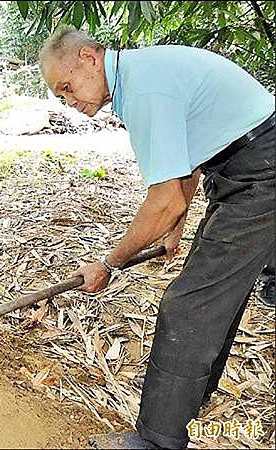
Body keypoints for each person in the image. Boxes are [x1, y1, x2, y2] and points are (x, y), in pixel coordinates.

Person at [39, 27, 275, 449]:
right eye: (60, 97)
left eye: (67, 87)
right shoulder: (140, 76)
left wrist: (109, 264)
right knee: (212, 294)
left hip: (262, 174)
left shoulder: (146, 90)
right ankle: (187, 404)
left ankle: (157, 440)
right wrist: (175, 230)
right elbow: (189, 156)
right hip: (249, 169)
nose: (69, 102)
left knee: (189, 306)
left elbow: (165, 198)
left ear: (91, 59)